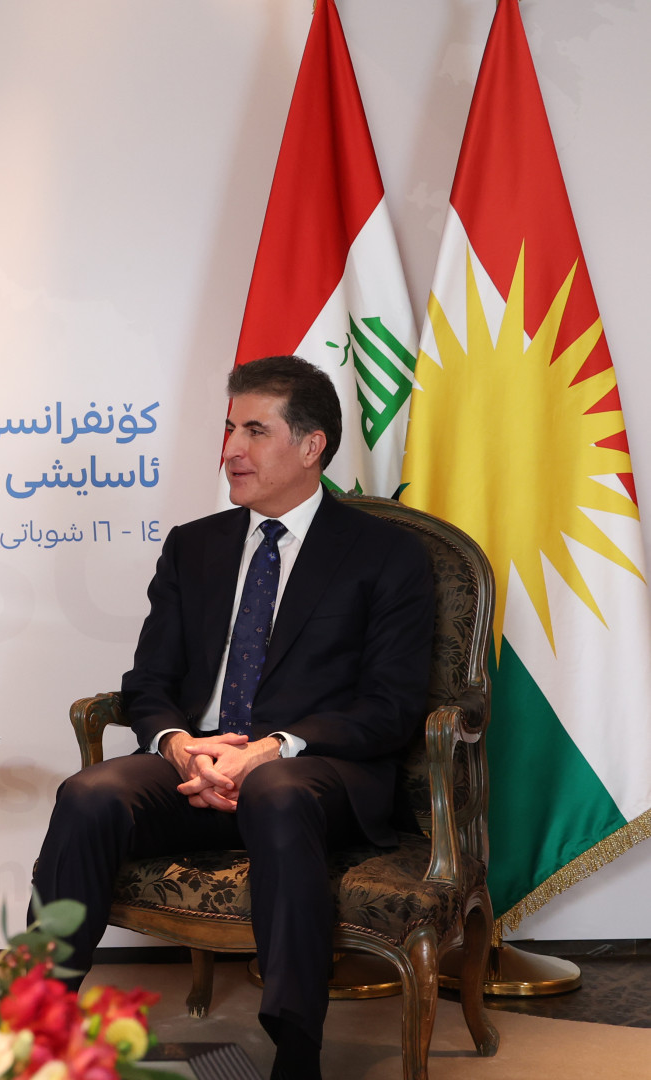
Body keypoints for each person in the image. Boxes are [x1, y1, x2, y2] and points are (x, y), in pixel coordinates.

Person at [33, 355, 433, 1080]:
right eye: (227, 428)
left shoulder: (388, 555)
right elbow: (147, 680)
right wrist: (178, 742)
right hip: (194, 769)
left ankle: (295, 1051)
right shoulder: (195, 547)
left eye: (254, 430)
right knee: (88, 795)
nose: (230, 450)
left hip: (314, 779)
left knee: (278, 792)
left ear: (311, 446)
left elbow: (392, 707)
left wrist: (274, 749)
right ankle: (39, 1022)